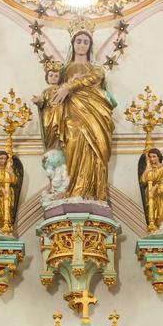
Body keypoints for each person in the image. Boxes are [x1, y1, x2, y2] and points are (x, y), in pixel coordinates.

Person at [43, 30, 115, 202]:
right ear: (73, 44)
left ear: (90, 46)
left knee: (95, 148)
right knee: (74, 142)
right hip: (72, 112)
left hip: (95, 112)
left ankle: (93, 191)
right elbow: (54, 91)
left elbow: (95, 77)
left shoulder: (96, 68)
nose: (82, 44)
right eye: (79, 41)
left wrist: (70, 85)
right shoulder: (64, 70)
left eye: (85, 42)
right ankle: (73, 189)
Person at [33, 60, 66, 151]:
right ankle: (51, 148)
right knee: (49, 129)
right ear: (47, 77)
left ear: (60, 78)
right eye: (51, 75)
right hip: (48, 114)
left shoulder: (62, 89)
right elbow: (41, 101)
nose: (53, 78)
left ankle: (58, 146)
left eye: (56, 76)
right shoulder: (45, 91)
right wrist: (37, 101)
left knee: (58, 129)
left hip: (60, 113)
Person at [140, 148, 163, 232]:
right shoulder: (149, 168)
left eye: (154, 156)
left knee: (162, 210)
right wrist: (146, 170)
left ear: (158, 157)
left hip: (161, 193)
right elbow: (142, 180)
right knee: (151, 209)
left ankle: (161, 226)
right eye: (150, 157)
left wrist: (155, 187)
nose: (152, 159)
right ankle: (153, 226)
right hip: (150, 192)